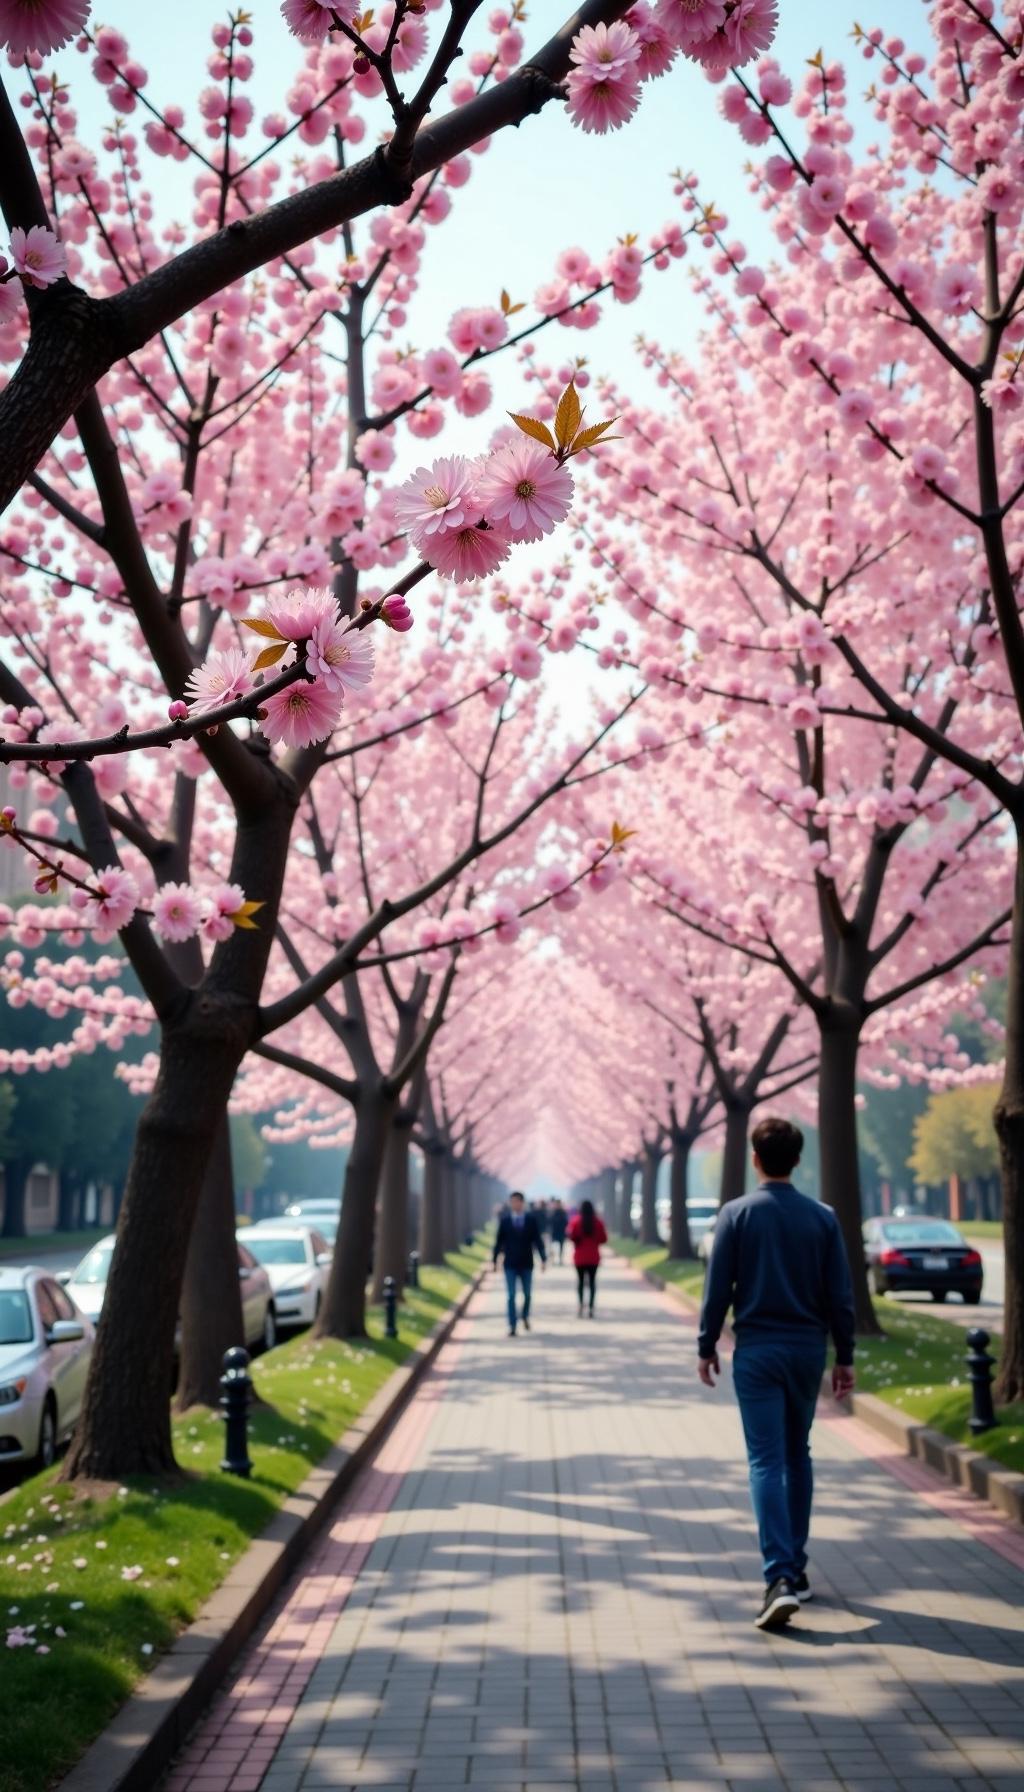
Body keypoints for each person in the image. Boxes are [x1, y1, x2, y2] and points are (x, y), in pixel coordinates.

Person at [697, 1115, 856, 1632]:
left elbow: (717, 1287)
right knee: (798, 1454)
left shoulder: (736, 1215)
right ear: (798, 1158)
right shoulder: (823, 1218)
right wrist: (846, 1355)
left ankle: (779, 1578)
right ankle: (797, 1569)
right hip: (808, 1351)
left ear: (755, 1158)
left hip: (759, 1351)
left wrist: (706, 1344)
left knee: (766, 1460)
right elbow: (840, 1295)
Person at [492, 1189, 546, 1336]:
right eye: (512, 1202)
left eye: (517, 1201)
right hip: (510, 1263)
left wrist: (543, 1258)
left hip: (527, 1263)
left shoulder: (530, 1220)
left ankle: (525, 1315)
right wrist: (494, 1260)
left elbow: (537, 1240)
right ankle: (512, 1325)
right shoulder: (505, 1221)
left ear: (522, 1203)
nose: (515, 1204)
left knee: (527, 1294)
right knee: (511, 1295)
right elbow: (498, 1242)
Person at [567, 1198, 607, 1317]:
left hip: (579, 1257)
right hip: (593, 1257)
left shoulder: (575, 1222)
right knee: (592, 1282)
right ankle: (590, 1307)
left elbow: (571, 1236)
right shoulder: (598, 1222)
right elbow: (604, 1239)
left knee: (580, 1281)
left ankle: (580, 1304)